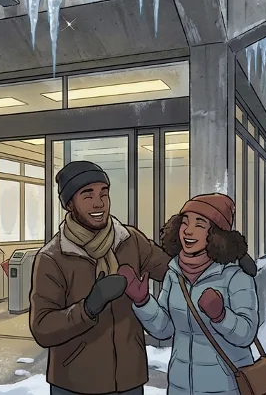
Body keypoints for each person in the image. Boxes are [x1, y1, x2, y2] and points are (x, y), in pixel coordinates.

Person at [29, 160, 172, 395]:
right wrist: (89, 307)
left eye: (103, 194)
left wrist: (225, 257)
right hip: (75, 383)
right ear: (69, 204)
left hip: (129, 378)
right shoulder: (53, 257)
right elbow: (42, 328)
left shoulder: (129, 240)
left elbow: (171, 269)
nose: (99, 203)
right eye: (87, 195)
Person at [123, 193, 259, 395]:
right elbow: (165, 329)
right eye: (185, 222)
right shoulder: (174, 273)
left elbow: (246, 334)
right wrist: (143, 302)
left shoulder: (235, 276)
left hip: (227, 387)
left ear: (216, 234)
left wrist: (221, 316)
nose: (188, 230)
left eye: (199, 224)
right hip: (181, 387)